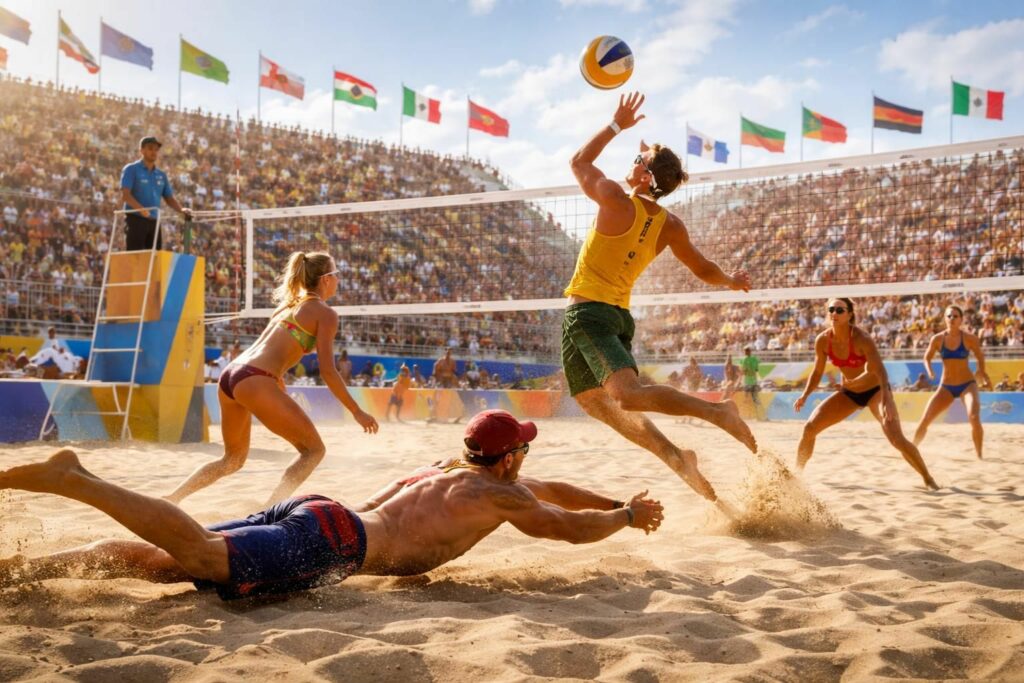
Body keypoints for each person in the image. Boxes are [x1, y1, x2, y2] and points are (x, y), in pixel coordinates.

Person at [0, 411, 663, 600]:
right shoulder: (501, 493)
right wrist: (626, 516)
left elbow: (558, 492)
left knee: (165, 560)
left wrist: (611, 496)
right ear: (512, 457)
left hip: (323, 511)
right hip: (337, 543)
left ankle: (24, 568)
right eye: (524, 451)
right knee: (199, 553)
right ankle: (77, 477)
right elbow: (570, 527)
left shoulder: (449, 471)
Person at [562, 91, 755, 509]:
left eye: (640, 159)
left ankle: (719, 411)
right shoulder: (670, 225)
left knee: (627, 396)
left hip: (589, 314)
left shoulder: (615, 198)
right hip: (613, 316)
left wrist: (616, 125)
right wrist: (731, 282)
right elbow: (702, 269)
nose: (633, 161)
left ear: (646, 177)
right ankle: (676, 455)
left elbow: (578, 161)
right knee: (596, 403)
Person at [166, 252, 379, 506]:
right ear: (325, 280)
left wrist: (277, 378)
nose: (338, 280)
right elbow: (328, 371)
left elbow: (275, 348)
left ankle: (172, 498)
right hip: (255, 379)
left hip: (232, 376)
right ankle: (269, 511)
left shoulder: (289, 306)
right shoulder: (325, 313)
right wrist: (356, 411)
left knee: (232, 460)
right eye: (336, 275)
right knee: (314, 451)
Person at [794, 298, 939, 490]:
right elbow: (817, 372)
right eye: (831, 309)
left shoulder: (862, 339)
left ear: (850, 314)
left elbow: (880, 371)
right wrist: (805, 395)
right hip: (850, 393)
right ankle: (796, 477)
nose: (834, 313)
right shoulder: (822, 340)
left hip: (876, 391)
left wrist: (887, 399)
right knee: (810, 428)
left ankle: (928, 478)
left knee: (896, 438)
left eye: (839, 310)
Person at [913, 305, 991, 459]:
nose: (952, 319)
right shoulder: (938, 339)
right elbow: (926, 357)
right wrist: (930, 371)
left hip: (967, 384)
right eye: (949, 316)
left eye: (955, 316)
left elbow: (980, 356)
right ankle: (911, 449)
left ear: (961, 319)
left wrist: (981, 372)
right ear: (944, 318)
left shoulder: (969, 338)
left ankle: (979, 456)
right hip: (946, 387)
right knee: (925, 419)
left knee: (974, 417)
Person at [120, 136, 193, 251]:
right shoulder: (131, 169)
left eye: (156, 149)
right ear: (142, 150)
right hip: (135, 219)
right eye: (150, 148)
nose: (154, 152)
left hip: (154, 221)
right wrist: (141, 210)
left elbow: (169, 198)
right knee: (135, 256)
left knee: (155, 258)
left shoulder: (161, 175)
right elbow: (126, 195)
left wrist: (181, 210)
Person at [740, 347, 765, 420]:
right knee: (756, 400)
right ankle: (760, 416)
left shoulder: (743, 360)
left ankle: (746, 416)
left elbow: (743, 371)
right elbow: (756, 370)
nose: (746, 352)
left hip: (747, 382)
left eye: (746, 351)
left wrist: (747, 371)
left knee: (746, 399)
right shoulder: (754, 359)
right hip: (753, 381)